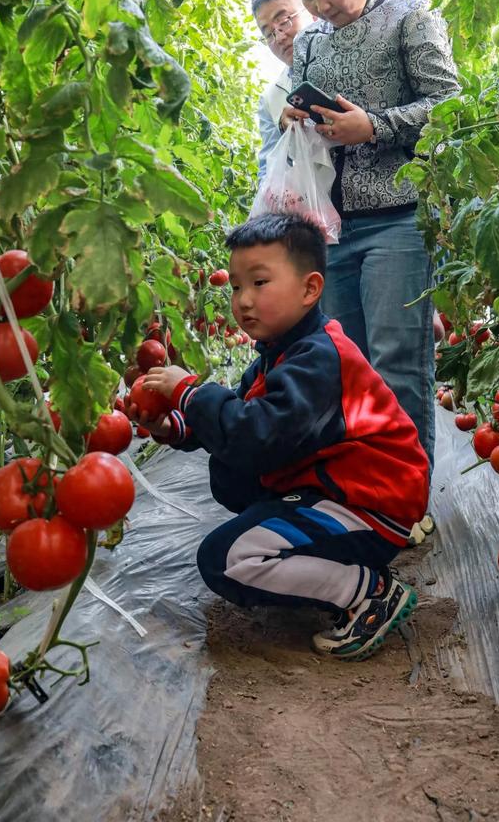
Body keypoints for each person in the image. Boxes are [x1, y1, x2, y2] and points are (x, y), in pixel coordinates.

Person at [127, 213, 429, 661]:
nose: (243, 300)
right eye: (235, 286)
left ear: (310, 289)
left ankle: (370, 593)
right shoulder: (288, 349)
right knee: (233, 477)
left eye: (260, 283)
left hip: (369, 504)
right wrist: (172, 426)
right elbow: (244, 409)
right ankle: (333, 563)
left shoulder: (319, 359)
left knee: (226, 559)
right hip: (344, 490)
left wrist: (189, 393)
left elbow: (256, 434)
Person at [278, 0, 460, 472]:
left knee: (398, 362)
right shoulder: (309, 43)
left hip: (398, 219)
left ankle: (407, 495)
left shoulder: (409, 17)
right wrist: (295, 116)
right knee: (346, 366)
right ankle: (366, 486)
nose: (320, 6)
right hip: (330, 229)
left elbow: (452, 107)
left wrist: (374, 125)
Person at [251, 0, 310, 183]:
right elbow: (269, 168)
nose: (279, 38)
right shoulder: (270, 99)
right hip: (319, 209)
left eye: (284, 21)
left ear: (311, 9)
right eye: (268, 34)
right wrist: (284, 131)